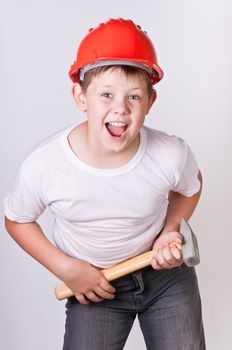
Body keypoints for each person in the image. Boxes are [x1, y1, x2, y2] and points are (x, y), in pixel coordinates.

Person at [4, 18, 205, 349]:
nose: (120, 109)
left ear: (150, 102)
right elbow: (17, 219)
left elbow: (192, 183)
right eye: (106, 94)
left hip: (165, 277)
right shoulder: (47, 165)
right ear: (80, 96)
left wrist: (171, 228)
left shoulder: (169, 154)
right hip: (95, 283)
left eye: (134, 97)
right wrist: (67, 269)